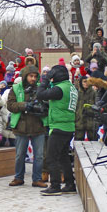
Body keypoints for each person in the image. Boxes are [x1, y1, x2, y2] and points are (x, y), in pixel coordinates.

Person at [36, 65, 78, 195]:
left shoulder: (59, 89)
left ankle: (55, 186)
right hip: (69, 126)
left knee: (51, 157)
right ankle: (70, 184)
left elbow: (40, 94)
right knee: (63, 157)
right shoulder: (71, 88)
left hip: (59, 127)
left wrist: (45, 80)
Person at [5, 64, 47, 188]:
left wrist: (39, 107)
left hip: (38, 125)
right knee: (19, 155)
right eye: (30, 76)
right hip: (21, 126)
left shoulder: (41, 88)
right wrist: (24, 105)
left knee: (39, 156)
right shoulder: (16, 88)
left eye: (35, 76)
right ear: (25, 76)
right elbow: (10, 105)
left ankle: (37, 179)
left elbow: (46, 105)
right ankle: (18, 177)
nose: (33, 79)